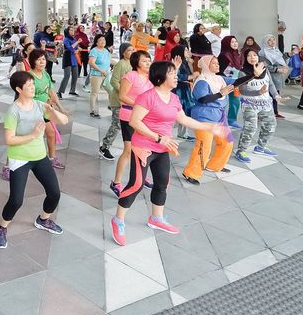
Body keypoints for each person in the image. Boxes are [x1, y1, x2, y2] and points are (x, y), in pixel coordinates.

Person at [110, 61, 229, 246]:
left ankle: (156, 219)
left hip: (163, 148)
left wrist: (210, 127)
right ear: (160, 77)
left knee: (162, 184)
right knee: (136, 185)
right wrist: (158, 138)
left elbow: (184, 119)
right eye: (172, 73)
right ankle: (118, 220)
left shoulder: (174, 98)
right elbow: (134, 121)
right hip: (144, 147)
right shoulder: (147, 97)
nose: (176, 76)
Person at [0, 71, 69, 249]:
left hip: (39, 156)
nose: (32, 87)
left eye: (32, 84)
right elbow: (9, 140)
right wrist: (33, 135)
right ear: (19, 89)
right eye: (28, 85)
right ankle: (2, 228)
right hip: (19, 158)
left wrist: (54, 112)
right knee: (16, 200)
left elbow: (64, 121)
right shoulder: (13, 111)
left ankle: (44, 219)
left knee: (54, 193)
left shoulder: (39, 105)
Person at [182, 56, 234, 185]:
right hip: (204, 116)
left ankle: (215, 165)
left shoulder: (220, 78)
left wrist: (255, 76)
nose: (217, 65)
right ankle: (190, 173)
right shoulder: (202, 81)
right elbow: (203, 99)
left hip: (219, 116)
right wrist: (221, 93)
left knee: (227, 141)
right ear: (205, 65)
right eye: (214, 63)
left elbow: (237, 81)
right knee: (204, 145)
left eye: (217, 63)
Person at [111, 50, 153, 192]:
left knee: (144, 149)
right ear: (136, 63)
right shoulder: (130, 76)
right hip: (129, 116)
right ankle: (116, 182)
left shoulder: (149, 78)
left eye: (149, 60)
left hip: (144, 118)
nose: (148, 63)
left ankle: (142, 176)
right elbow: (122, 96)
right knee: (128, 150)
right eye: (144, 60)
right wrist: (139, 105)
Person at [232, 49, 278, 161]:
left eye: (254, 55)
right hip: (249, 104)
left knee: (270, 125)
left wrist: (277, 96)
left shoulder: (264, 69)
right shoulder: (243, 72)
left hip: (265, 103)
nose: (252, 57)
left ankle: (261, 147)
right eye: (249, 55)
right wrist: (258, 92)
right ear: (245, 58)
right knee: (251, 127)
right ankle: (241, 151)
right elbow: (242, 91)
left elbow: (270, 84)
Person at [98, 43, 133, 159]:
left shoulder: (131, 64)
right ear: (123, 53)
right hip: (118, 100)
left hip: (128, 100)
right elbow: (114, 81)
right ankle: (104, 147)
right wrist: (124, 92)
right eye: (129, 50)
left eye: (133, 50)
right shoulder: (121, 64)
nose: (131, 52)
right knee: (116, 125)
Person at [87, 33, 112, 118]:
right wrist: (101, 70)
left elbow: (109, 61)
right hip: (96, 75)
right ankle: (92, 110)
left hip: (106, 75)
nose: (103, 41)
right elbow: (91, 63)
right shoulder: (94, 50)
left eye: (104, 40)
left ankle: (111, 105)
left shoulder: (106, 51)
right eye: (100, 40)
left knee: (111, 91)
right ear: (96, 42)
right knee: (95, 93)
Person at [57, 26, 80, 95]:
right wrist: (77, 42)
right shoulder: (66, 39)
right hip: (68, 58)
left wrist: (78, 49)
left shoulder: (74, 39)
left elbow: (75, 48)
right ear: (67, 31)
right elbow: (69, 48)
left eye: (73, 30)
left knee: (75, 75)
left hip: (74, 58)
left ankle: (72, 90)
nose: (72, 31)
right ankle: (60, 92)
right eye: (70, 30)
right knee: (67, 75)